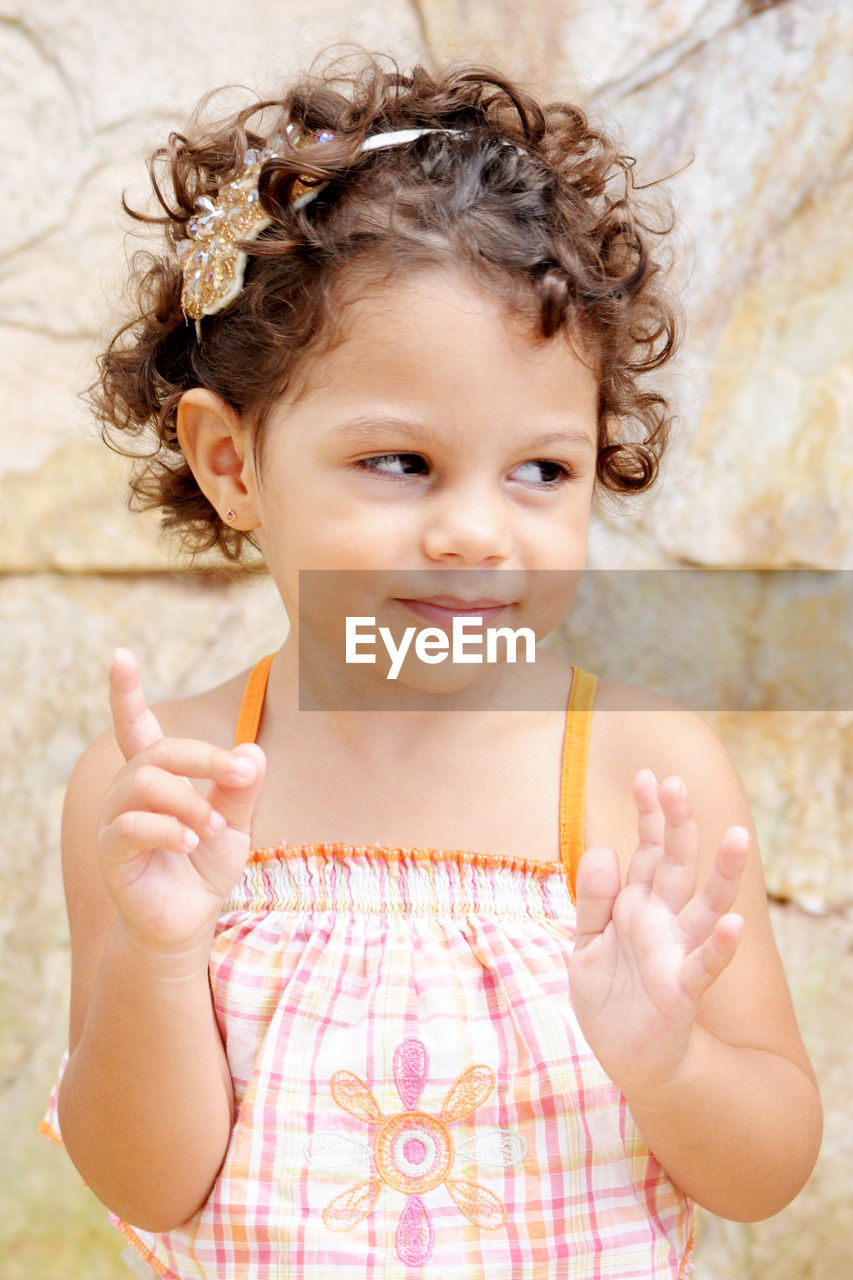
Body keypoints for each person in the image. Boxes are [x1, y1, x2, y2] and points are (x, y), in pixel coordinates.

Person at [42, 52, 821, 1279]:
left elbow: (769, 1169)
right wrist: (156, 955)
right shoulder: (163, 789)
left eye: (542, 470)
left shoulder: (644, 774)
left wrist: (671, 1061)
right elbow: (145, 1183)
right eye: (400, 461)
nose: (476, 530)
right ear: (233, 464)